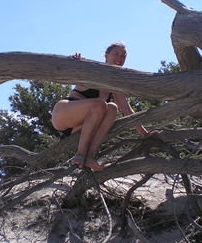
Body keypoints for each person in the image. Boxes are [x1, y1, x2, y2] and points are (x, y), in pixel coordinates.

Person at [51, 42, 159, 171]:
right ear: (106, 56)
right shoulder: (92, 71)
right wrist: (75, 60)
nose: (120, 58)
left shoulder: (115, 85)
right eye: (116, 54)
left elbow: (127, 111)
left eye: (123, 56)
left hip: (80, 126)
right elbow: (74, 70)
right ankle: (80, 154)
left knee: (113, 107)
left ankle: (90, 155)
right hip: (63, 114)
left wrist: (145, 134)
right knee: (100, 104)